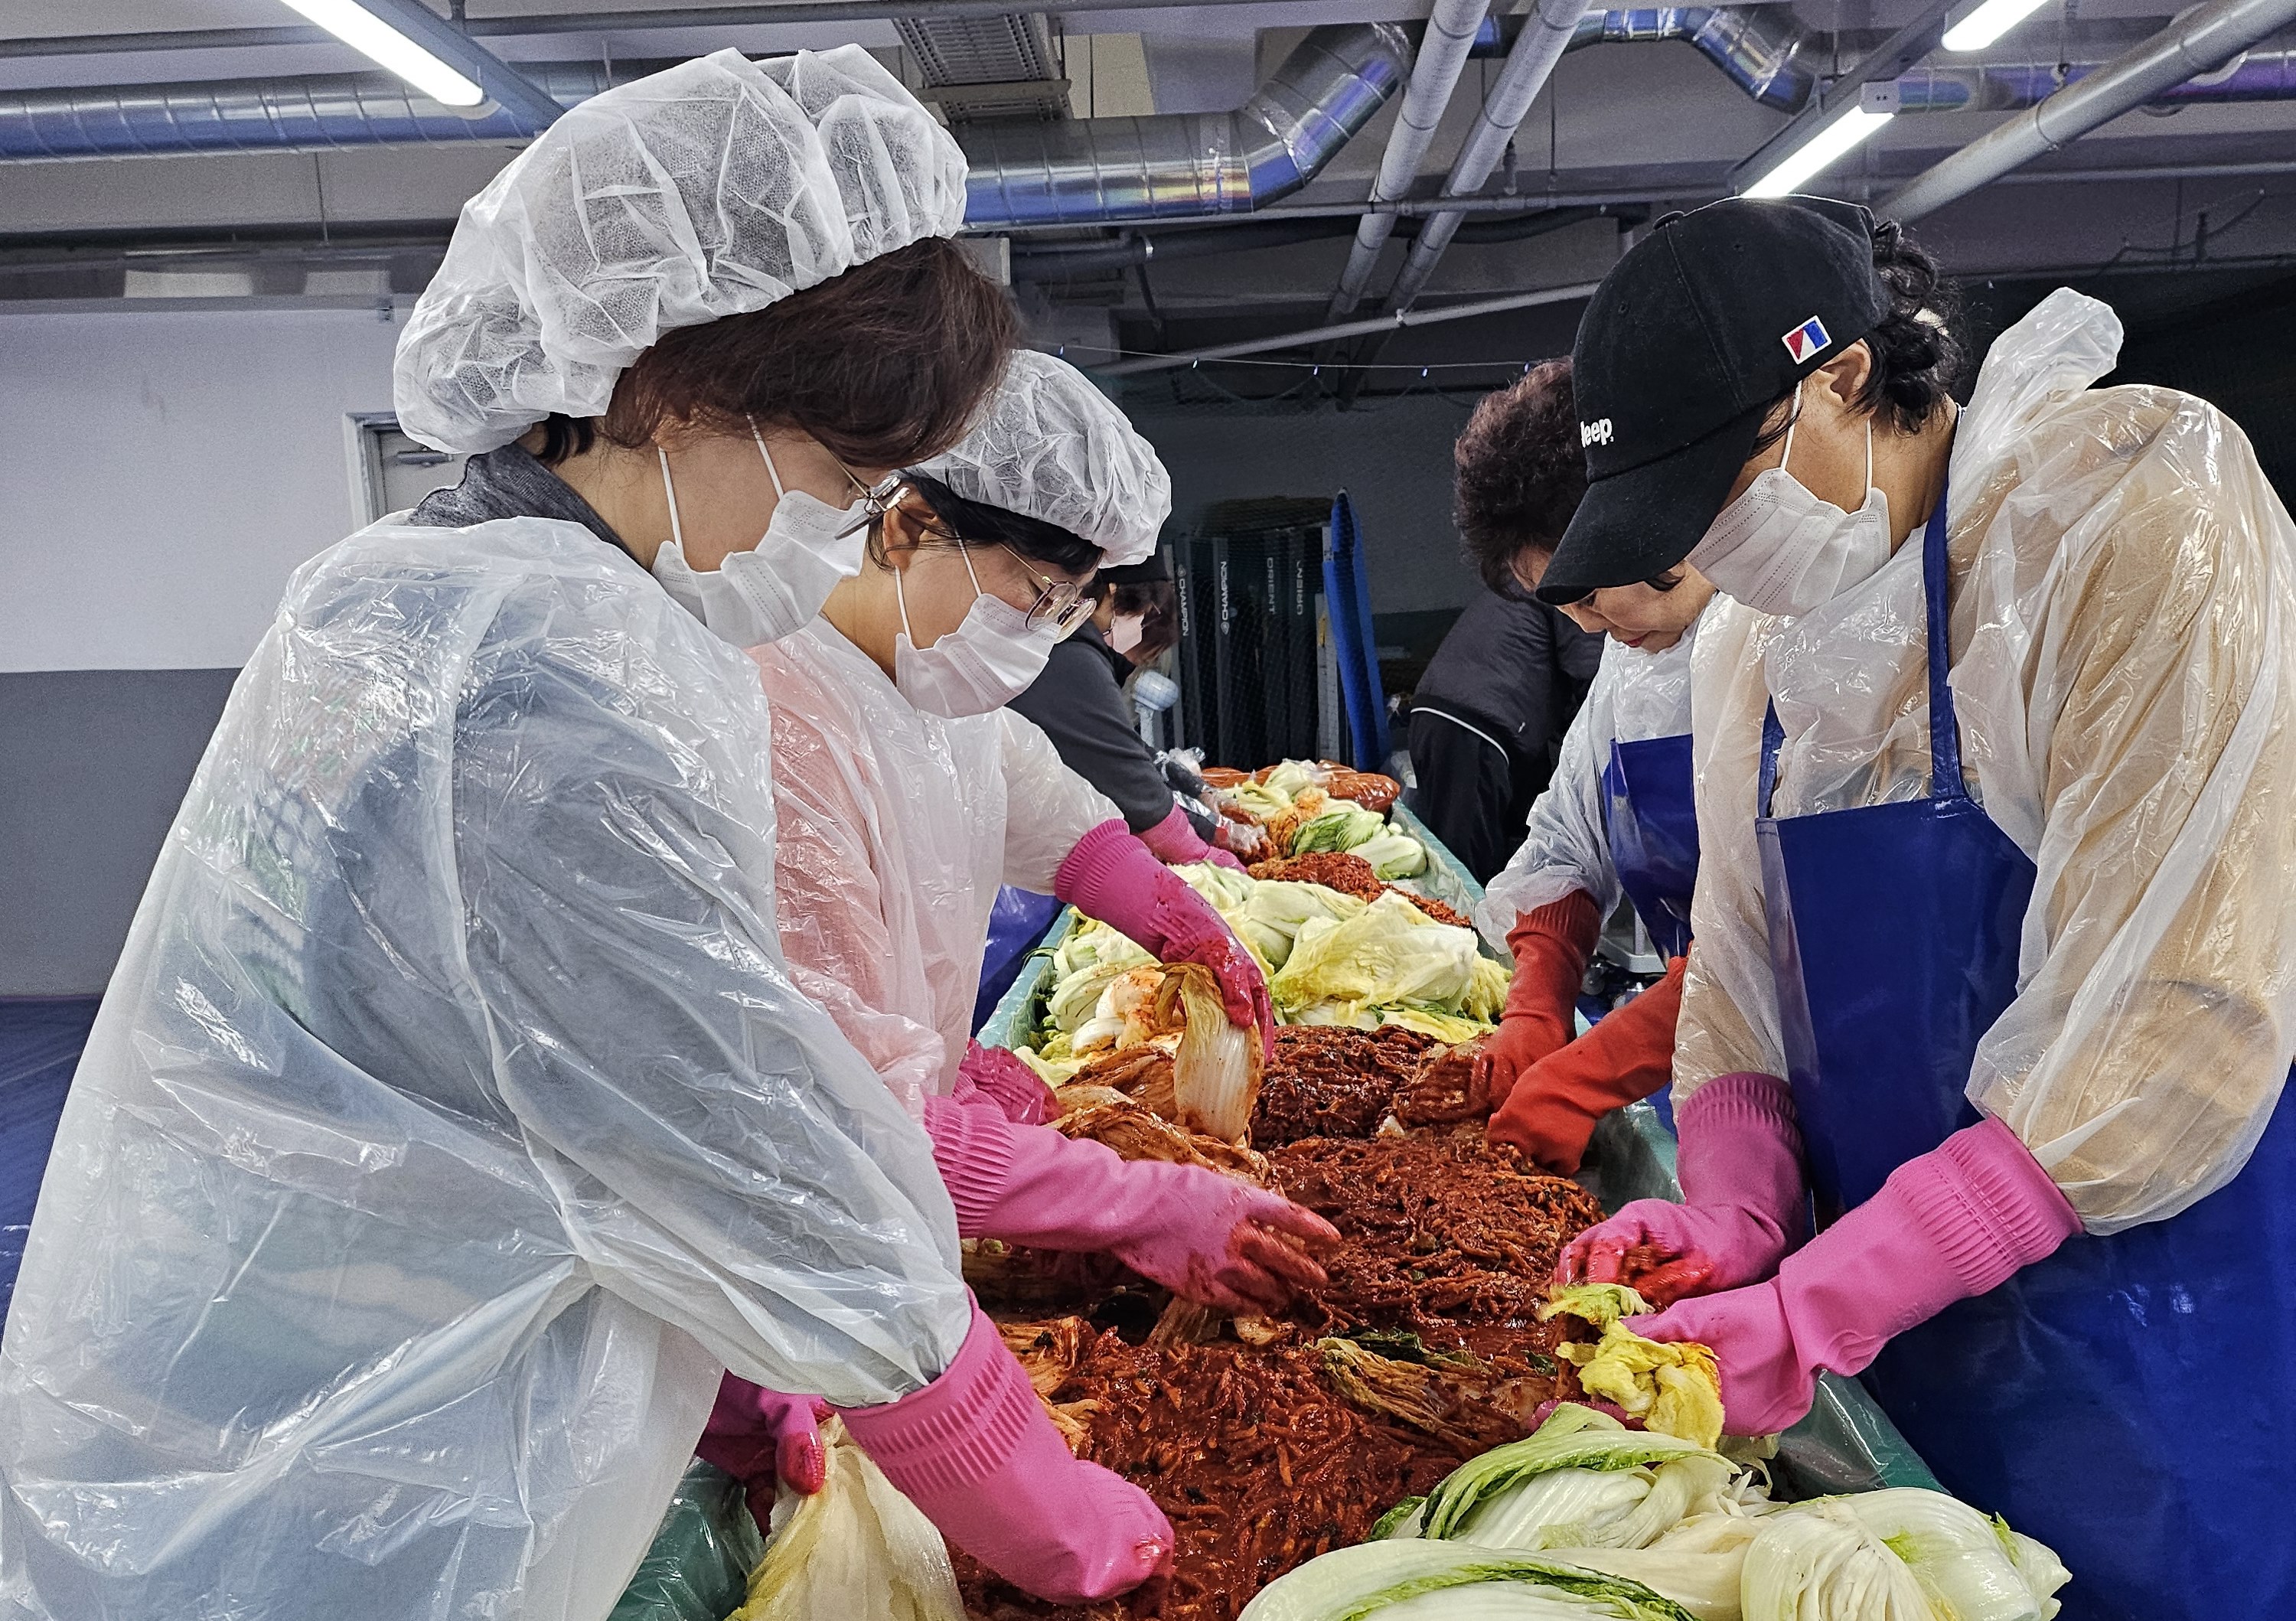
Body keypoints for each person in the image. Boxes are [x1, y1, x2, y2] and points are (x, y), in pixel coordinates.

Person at [0, 51, 1172, 1619]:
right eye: (836, 481)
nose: (831, 535)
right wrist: (1035, 1493)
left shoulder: (418, 584)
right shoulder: (552, 668)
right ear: (680, 394)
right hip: (334, 1478)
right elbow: (750, 1136)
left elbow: (562, 1075)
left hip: (282, 1367)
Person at [1544, 197, 2296, 1620]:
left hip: (2151, 1332)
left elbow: (2171, 1028)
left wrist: (1820, 1300)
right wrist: (1734, 1215)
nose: (1704, 544)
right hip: (1887, 1344)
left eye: (1719, 485)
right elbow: (1741, 984)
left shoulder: (2128, 520)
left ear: (1841, 377)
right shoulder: (1753, 649)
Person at [700, 349, 1332, 1517]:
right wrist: (1143, 1201)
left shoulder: (934, 691)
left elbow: (1047, 811)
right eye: (1030, 597)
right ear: (910, 528)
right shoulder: (779, 715)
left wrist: (1179, 922)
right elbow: (847, 1129)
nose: (1038, 640)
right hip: (773, 1262)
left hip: (868, 1223)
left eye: (1066, 611)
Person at [1449, 359, 1718, 1179]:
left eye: (1594, 595)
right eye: (1561, 604)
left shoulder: (1792, 646)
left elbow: (1788, 947)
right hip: (1719, 1068)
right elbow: (1567, 844)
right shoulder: (1635, 663)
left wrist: (1592, 1074)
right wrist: (1538, 999)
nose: (1587, 625)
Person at [1008, 547, 1238, 869]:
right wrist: (1210, 841)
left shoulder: (1068, 642)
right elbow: (1126, 779)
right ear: (1115, 595)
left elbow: (1125, 748)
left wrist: (1195, 789)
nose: (1134, 662)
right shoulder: (1069, 653)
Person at [1403, 521, 1603, 883]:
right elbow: (1590, 669)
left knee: (1453, 854)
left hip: (1440, 711)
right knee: (1466, 864)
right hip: (1479, 723)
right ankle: (1469, 935)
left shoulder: (1523, 574)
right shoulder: (1564, 576)